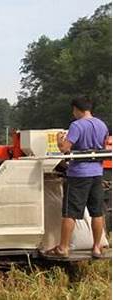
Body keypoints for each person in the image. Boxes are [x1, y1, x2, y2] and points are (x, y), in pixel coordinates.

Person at [46, 96, 109, 258]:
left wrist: (59, 140)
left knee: (70, 212)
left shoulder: (77, 125)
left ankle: (63, 248)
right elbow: (102, 147)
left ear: (76, 109)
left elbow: (65, 149)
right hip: (97, 173)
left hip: (79, 174)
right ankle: (96, 247)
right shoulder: (102, 125)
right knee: (97, 212)